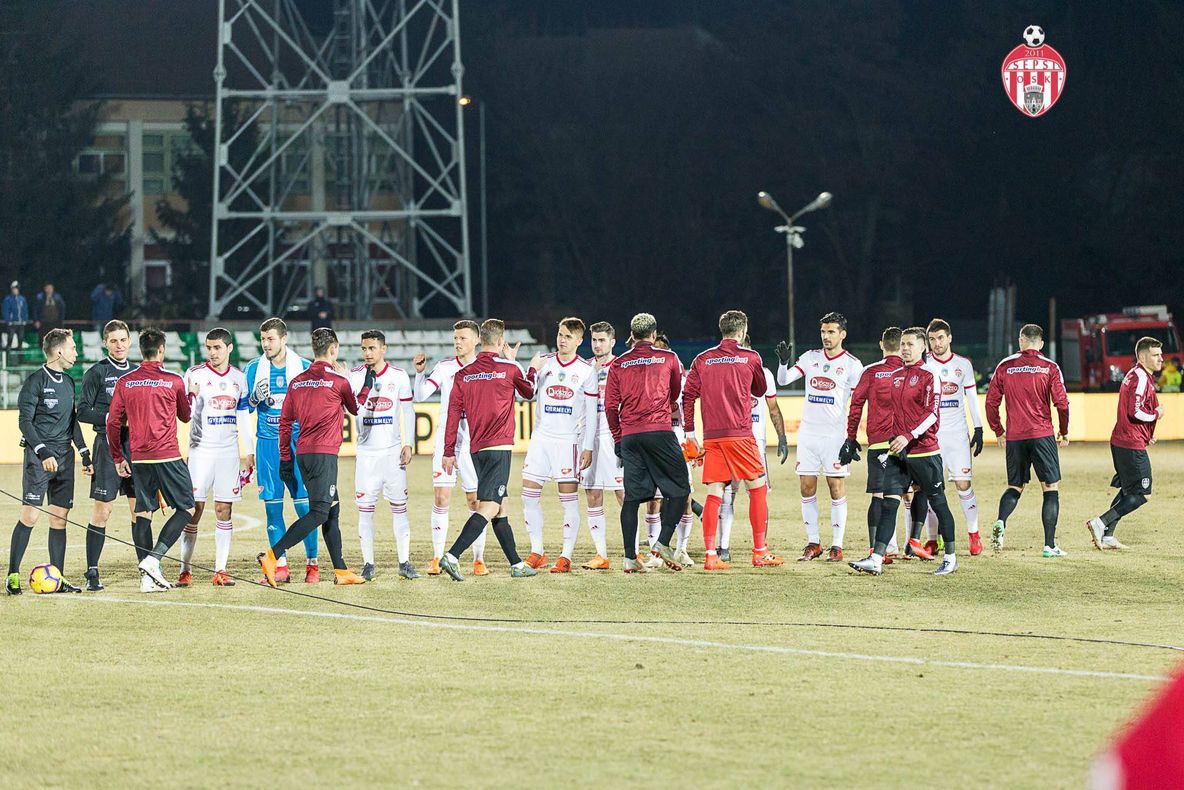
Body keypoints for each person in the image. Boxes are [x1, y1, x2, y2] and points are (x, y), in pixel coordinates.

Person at [258, 328, 369, 586]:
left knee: (332, 509)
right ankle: (272, 556)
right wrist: (367, 385)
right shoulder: (338, 382)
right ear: (334, 350)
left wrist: (286, 459)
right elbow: (356, 408)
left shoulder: (296, 382)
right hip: (324, 454)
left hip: (303, 454)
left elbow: (284, 424)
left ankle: (341, 571)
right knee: (319, 512)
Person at [849, 327, 960, 576]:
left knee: (939, 503)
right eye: (903, 344)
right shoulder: (897, 374)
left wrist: (908, 435)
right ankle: (876, 558)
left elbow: (932, 414)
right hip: (899, 454)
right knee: (889, 503)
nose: (905, 348)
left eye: (910, 344)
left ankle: (951, 558)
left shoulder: (930, 374)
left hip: (925, 451)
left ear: (923, 347)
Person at [437, 319, 539, 581]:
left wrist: (448, 451)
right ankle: (452, 555)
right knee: (490, 507)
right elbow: (529, 392)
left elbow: (452, 415)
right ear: (502, 342)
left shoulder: (463, 375)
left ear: (481, 340)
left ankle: (516, 564)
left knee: (500, 505)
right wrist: (531, 369)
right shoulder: (509, 369)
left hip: (476, 449)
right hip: (499, 447)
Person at [682, 310, 781, 570]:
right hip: (740, 435)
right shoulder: (750, 357)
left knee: (715, 493)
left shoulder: (703, 359)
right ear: (742, 331)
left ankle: (711, 556)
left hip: (713, 437)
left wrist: (690, 433)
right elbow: (759, 390)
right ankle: (760, 551)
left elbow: (687, 396)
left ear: (722, 329)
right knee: (757, 488)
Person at [106, 328, 196, 592]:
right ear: (162, 350)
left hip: (139, 457)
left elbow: (112, 422)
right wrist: (192, 393)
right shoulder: (173, 380)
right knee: (187, 508)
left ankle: (146, 579)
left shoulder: (126, 382)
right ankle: (154, 560)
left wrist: (117, 456)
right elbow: (186, 415)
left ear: (140, 350)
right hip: (167, 454)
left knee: (142, 512)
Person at [6, 329, 92, 595]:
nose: (76, 352)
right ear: (58, 351)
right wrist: (43, 452)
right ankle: (12, 575)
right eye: (73, 348)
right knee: (30, 516)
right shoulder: (35, 382)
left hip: (65, 459)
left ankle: (58, 576)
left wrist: (84, 452)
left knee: (60, 519)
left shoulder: (68, 382)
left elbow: (72, 422)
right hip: (39, 459)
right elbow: (25, 423)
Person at [603, 312, 689, 573]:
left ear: (631, 335)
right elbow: (675, 393)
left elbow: (609, 407)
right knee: (681, 488)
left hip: (630, 435)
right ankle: (663, 542)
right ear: (654, 335)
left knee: (632, 498)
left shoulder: (618, 364)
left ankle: (630, 558)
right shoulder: (669, 358)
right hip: (659, 431)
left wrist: (619, 438)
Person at [775, 312, 864, 561]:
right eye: (823, 332)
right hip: (809, 435)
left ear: (842, 334)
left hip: (834, 436)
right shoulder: (810, 357)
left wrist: (851, 437)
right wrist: (783, 362)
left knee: (836, 487)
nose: (826, 336)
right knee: (806, 487)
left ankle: (837, 545)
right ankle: (813, 542)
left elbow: (857, 404)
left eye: (831, 332)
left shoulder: (852, 364)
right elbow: (784, 380)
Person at [176, 328, 253, 587]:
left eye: (217, 347)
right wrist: (191, 394)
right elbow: (185, 412)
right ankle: (185, 569)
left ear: (229, 348)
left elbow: (243, 415)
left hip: (228, 453)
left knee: (223, 509)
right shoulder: (195, 374)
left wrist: (249, 450)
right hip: (201, 451)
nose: (212, 352)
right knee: (193, 511)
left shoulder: (239, 379)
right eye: (209, 348)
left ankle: (220, 570)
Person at [985, 323, 1070, 557]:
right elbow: (1062, 404)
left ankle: (1001, 521)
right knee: (1050, 487)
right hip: (1042, 435)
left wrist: (998, 430)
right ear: (1041, 344)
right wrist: (1064, 431)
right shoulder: (1050, 367)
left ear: (1020, 342)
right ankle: (1049, 545)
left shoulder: (1005, 365)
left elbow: (991, 402)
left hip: (1015, 437)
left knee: (1015, 486)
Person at [244, 318, 319, 583]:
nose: (266, 344)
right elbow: (245, 407)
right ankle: (281, 566)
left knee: (305, 509)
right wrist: (254, 397)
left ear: (283, 339)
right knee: (273, 511)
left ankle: (312, 565)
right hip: (267, 446)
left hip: (297, 443)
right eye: (263, 339)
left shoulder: (304, 368)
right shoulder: (254, 368)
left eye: (270, 339)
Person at [413, 320, 490, 575]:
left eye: (463, 338)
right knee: (441, 497)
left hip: (474, 442)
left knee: (475, 500)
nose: (458, 342)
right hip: (446, 441)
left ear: (477, 340)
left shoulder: (484, 369)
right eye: (455, 338)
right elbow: (421, 395)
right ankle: (437, 557)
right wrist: (420, 373)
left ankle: (478, 558)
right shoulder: (445, 367)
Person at [520, 317, 594, 573]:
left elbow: (592, 413)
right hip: (541, 439)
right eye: (560, 334)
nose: (562, 339)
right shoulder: (544, 362)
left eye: (568, 336)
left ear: (579, 341)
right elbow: (525, 393)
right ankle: (537, 551)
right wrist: (528, 368)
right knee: (528, 495)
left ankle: (565, 556)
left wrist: (588, 446)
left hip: (567, 442)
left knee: (568, 500)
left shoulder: (586, 370)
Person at [76, 319, 139, 591]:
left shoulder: (138, 373)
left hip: (135, 447)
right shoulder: (96, 373)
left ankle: (147, 568)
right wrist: (114, 419)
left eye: (123, 340)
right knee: (103, 510)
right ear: (105, 343)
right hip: (106, 444)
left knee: (141, 511)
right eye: (113, 340)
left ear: (130, 341)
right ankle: (92, 572)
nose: (119, 345)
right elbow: (82, 411)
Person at [715, 333, 788, 562]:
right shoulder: (753, 371)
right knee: (744, 495)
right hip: (743, 441)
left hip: (744, 441)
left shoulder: (762, 373)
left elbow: (774, 409)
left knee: (742, 495)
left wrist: (782, 436)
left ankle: (735, 548)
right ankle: (738, 548)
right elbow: (773, 408)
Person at [350, 330, 416, 580]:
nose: (367, 353)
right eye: (364, 349)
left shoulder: (398, 376)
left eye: (372, 348)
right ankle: (368, 564)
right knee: (365, 510)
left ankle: (404, 562)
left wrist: (408, 443)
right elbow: (350, 406)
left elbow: (408, 411)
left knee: (399, 508)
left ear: (383, 349)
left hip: (392, 454)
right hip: (366, 455)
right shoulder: (354, 376)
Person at [1086, 337, 1164, 550]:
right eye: (1156, 355)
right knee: (1142, 493)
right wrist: (1156, 414)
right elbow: (1136, 411)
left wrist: (1147, 432)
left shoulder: (1137, 376)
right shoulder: (1139, 377)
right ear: (1142, 356)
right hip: (1130, 443)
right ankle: (1100, 523)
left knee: (1129, 491)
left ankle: (1108, 536)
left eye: (1160, 354)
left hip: (1125, 440)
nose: (1161, 359)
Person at [922, 319, 985, 555]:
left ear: (949, 338)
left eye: (940, 338)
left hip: (958, 436)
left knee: (963, 485)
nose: (936, 343)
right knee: (932, 488)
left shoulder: (963, 365)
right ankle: (932, 540)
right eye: (932, 339)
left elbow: (971, 398)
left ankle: (974, 534)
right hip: (931, 436)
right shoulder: (924, 364)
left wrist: (978, 428)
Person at [842, 326, 904, 557]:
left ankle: (877, 547)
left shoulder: (870, 372)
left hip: (879, 442)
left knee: (879, 494)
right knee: (909, 493)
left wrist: (851, 436)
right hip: (907, 442)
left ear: (881, 345)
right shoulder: (911, 370)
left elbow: (855, 405)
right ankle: (910, 543)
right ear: (904, 345)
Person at [577, 321, 622, 569]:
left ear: (612, 342)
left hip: (614, 438)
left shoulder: (621, 366)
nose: (597, 344)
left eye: (602, 340)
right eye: (594, 340)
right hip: (589, 439)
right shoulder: (584, 369)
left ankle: (633, 552)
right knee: (593, 494)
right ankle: (601, 554)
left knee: (624, 494)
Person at [2, 281, 29, 350]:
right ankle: (7, 354)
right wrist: (8, 320)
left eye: (16, 288)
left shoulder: (22, 299)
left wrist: (25, 319)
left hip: (21, 323)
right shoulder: (7, 299)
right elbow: (6, 311)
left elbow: (25, 310)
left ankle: (20, 356)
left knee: (21, 338)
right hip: (12, 323)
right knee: (10, 338)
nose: (15, 290)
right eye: (14, 288)